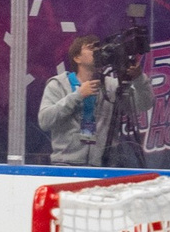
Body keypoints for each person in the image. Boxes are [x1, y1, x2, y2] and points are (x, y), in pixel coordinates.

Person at [38, 34, 153, 167]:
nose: (97, 51)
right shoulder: (58, 84)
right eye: (91, 48)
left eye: (99, 47)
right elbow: (45, 121)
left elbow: (144, 105)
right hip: (65, 164)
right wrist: (78, 95)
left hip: (103, 165)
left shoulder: (112, 86)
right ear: (77, 58)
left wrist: (139, 79)